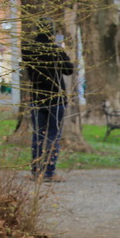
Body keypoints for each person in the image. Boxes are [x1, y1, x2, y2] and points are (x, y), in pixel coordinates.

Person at [22, 19, 74, 182]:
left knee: (38, 135)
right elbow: (69, 70)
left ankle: (36, 170)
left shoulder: (28, 50)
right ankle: (49, 172)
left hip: (37, 97)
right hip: (55, 98)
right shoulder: (55, 50)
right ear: (51, 32)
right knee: (53, 135)